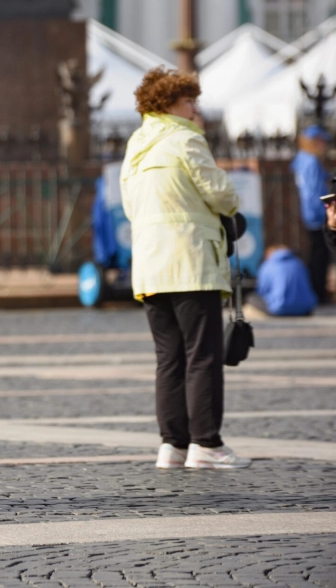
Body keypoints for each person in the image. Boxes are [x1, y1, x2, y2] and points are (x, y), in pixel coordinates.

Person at [120, 67, 249, 470]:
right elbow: (219, 192)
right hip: (191, 261)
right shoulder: (186, 138)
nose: (195, 106)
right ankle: (207, 445)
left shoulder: (137, 144)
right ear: (170, 104)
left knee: (169, 357)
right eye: (189, 99)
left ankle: (172, 446)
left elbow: (129, 204)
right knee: (202, 355)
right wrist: (231, 207)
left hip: (150, 266)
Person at [291, 125, 332, 303]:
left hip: (308, 212)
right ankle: (318, 292)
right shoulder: (312, 161)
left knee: (316, 252)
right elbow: (315, 190)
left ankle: (316, 290)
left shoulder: (301, 159)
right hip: (317, 212)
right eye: (321, 141)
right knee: (321, 254)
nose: (324, 145)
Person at [251, 245, 317, 317]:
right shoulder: (299, 263)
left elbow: (262, 291)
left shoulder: (268, 265)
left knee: (251, 299)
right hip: (305, 309)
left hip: (280, 309)